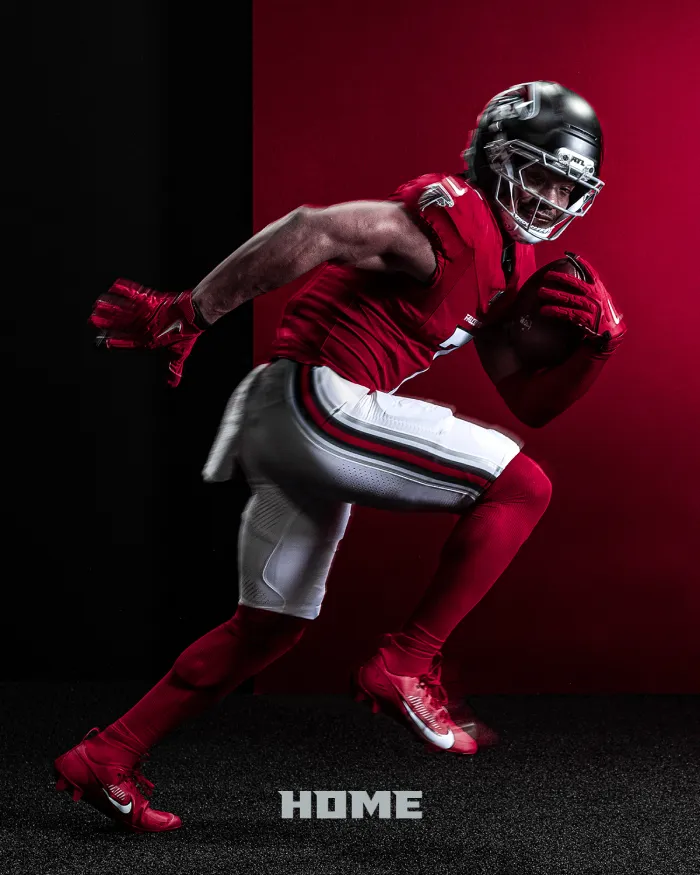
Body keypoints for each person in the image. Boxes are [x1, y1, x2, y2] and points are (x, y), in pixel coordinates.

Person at [54, 81, 626, 833]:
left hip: (284, 412)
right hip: (319, 399)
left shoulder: (505, 266)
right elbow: (313, 228)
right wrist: (190, 310)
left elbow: (530, 404)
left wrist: (598, 350)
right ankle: (408, 662)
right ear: (494, 155)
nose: (551, 196)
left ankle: (107, 755)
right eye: (540, 171)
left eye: (568, 184)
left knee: (268, 626)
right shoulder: (448, 216)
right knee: (522, 486)